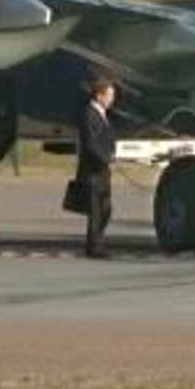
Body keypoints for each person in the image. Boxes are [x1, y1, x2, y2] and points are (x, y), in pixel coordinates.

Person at [76, 76, 118, 258]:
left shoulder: (102, 114)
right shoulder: (89, 114)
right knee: (96, 211)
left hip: (102, 170)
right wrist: (106, 158)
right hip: (93, 170)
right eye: (109, 95)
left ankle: (93, 244)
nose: (112, 99)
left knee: (106, 209)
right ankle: (94, 248)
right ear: (99, 96)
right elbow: (91, 143)